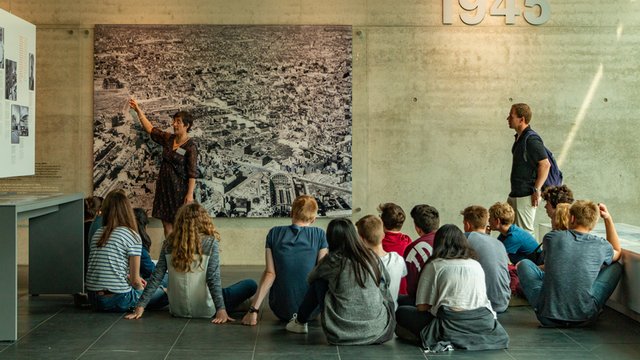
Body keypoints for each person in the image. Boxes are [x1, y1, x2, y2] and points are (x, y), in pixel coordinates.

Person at [125, 203, 256, 321]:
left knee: (222, 292)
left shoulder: (169, 244)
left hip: (178, 309)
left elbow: (156, 277)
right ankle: (237, 305)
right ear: (204, 220)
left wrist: (140, 306)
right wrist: (221, 310)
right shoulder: (210, 242)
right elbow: (213, 279)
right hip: (205, 308)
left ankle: (237, 305)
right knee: (250, 284)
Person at [395, 224, 509, 352]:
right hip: (482, 323)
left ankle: (427, 336)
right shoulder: (476, 265)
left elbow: (422, 307)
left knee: (402, 311)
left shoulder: (434, 265)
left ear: (437, 244)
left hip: (448, 324)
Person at [286, 218, 396, 346]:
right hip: (380, 331)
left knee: (319, 282)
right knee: (381, 283)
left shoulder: (333, 261)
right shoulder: (371, 256)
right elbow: (386, 282)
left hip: (341, 334)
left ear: (330, 239)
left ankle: (300, 322)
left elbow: (310, 279)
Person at [517, 201, 623, 327]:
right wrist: (608, 218)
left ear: (572, 218)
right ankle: (587, 306)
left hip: (547, 318)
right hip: (585, 318)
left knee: (524, 264)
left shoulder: (552, 238)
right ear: (593, 223)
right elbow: (618, 252)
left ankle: (549, 304)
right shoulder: (601, 245)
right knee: (615, 267)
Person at [241, 195, 328, 326]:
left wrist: (253, 310)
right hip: (312, 312)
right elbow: (322, 272)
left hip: (281, 310)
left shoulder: (274, 233)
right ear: (314, 218)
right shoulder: (320, 234)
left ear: (291, 213)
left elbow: (270, 274)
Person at [129, 98, 198, 237]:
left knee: (181, 225)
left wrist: (190, 194)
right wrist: (138, 110)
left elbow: (192, 173)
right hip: (164, 188)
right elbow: (150, 129)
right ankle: (169, 254)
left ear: (187, 125)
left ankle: (181, 255)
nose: (174, 124)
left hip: (179, 191)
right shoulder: (169, 139)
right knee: (166, 225)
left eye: (178, 122)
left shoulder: (190, 146)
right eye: (174, 121)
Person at [85, 190, 145, 312]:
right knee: (163, 293)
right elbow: (135, 282)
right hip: (119, 298)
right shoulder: (132, 235)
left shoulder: (98, 233)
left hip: (93, 298)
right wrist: (142, 289)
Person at [506, 103, 551, 234]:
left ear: (522, 119)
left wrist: (536, 189)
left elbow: (545, 164)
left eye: (511, 116)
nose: (508, 118)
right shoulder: (520, 138)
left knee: (524, 233)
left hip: (526, 195)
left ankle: (530, 255)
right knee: (512, 232)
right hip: (516, 194)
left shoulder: (531, 139)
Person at [461, 206, 511, 313]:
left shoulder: (466, 238)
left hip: (483, 305)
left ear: (467, 225)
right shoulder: (499, 243)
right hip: (503, 302)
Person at [356, 215, 406, 309]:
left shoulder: (360, 265)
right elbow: (403, 274)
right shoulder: (398, 259)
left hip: (373, 315)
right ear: (383, 235)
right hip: (392, 311)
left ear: (361, 240)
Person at [402, 204, 439, 305]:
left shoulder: (413, 249)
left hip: (426, 305)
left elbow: (412, 289)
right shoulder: (453, 243)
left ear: (418, 229)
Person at [378, 202, 412, 295]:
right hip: (404, 292)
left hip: (384, 294)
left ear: (382, 221)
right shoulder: (407, 241)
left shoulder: (378, 243)